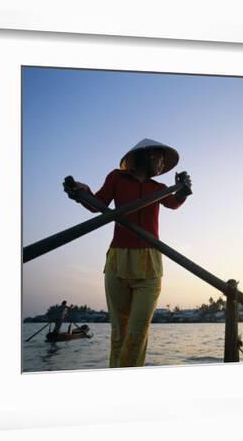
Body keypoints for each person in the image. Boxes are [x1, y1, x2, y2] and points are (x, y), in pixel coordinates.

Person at [70, 138, 192, 367]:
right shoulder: (117, 177)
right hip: (118, 260)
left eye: (163, 159)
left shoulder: (158, 189)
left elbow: (174, 203)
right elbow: (98, 203)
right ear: (142, 157)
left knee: (137, 334)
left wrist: (183, 191)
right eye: (157, 156)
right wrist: (81, 192)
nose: (161, 162)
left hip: (149, 262)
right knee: (119, 334)